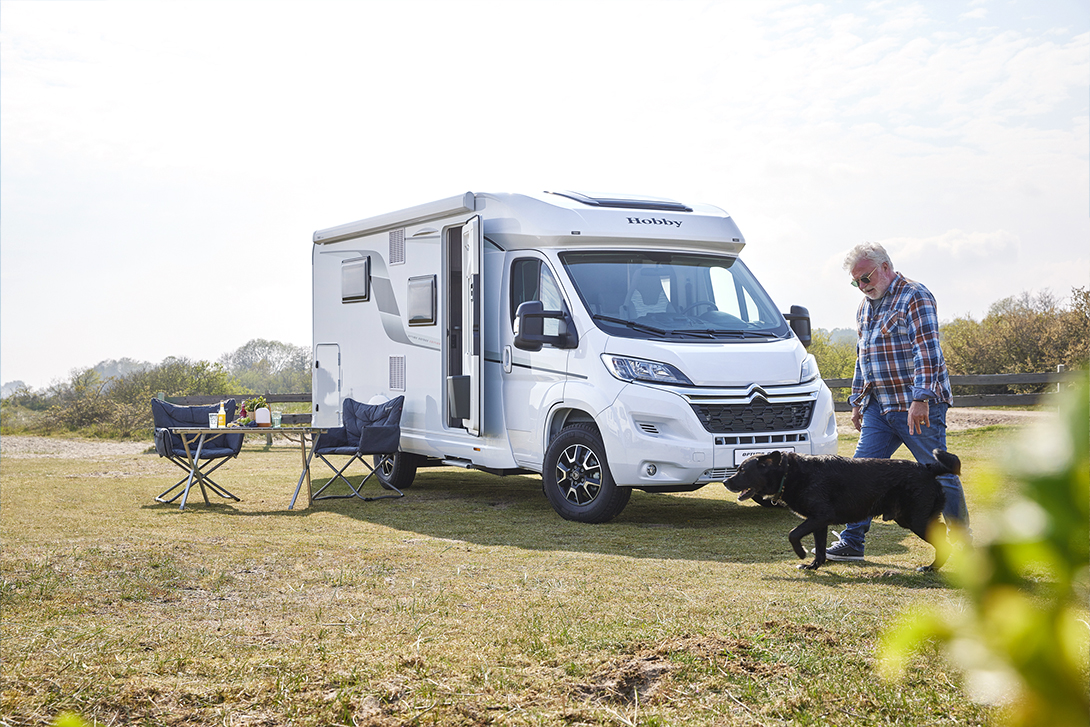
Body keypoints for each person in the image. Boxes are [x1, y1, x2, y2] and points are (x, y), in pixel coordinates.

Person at [825, 242, 970, 562]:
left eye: (866, 277)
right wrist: (858, 400)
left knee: (940, 474)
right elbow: (863, 357)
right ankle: (852, 542)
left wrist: (921, 399)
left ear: (886, 267)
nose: (862, 286)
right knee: (860, 474)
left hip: (916, 404)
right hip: (879, 406)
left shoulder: (915, 296)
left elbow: (927, 351)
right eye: (856, 282)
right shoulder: (864, 306)